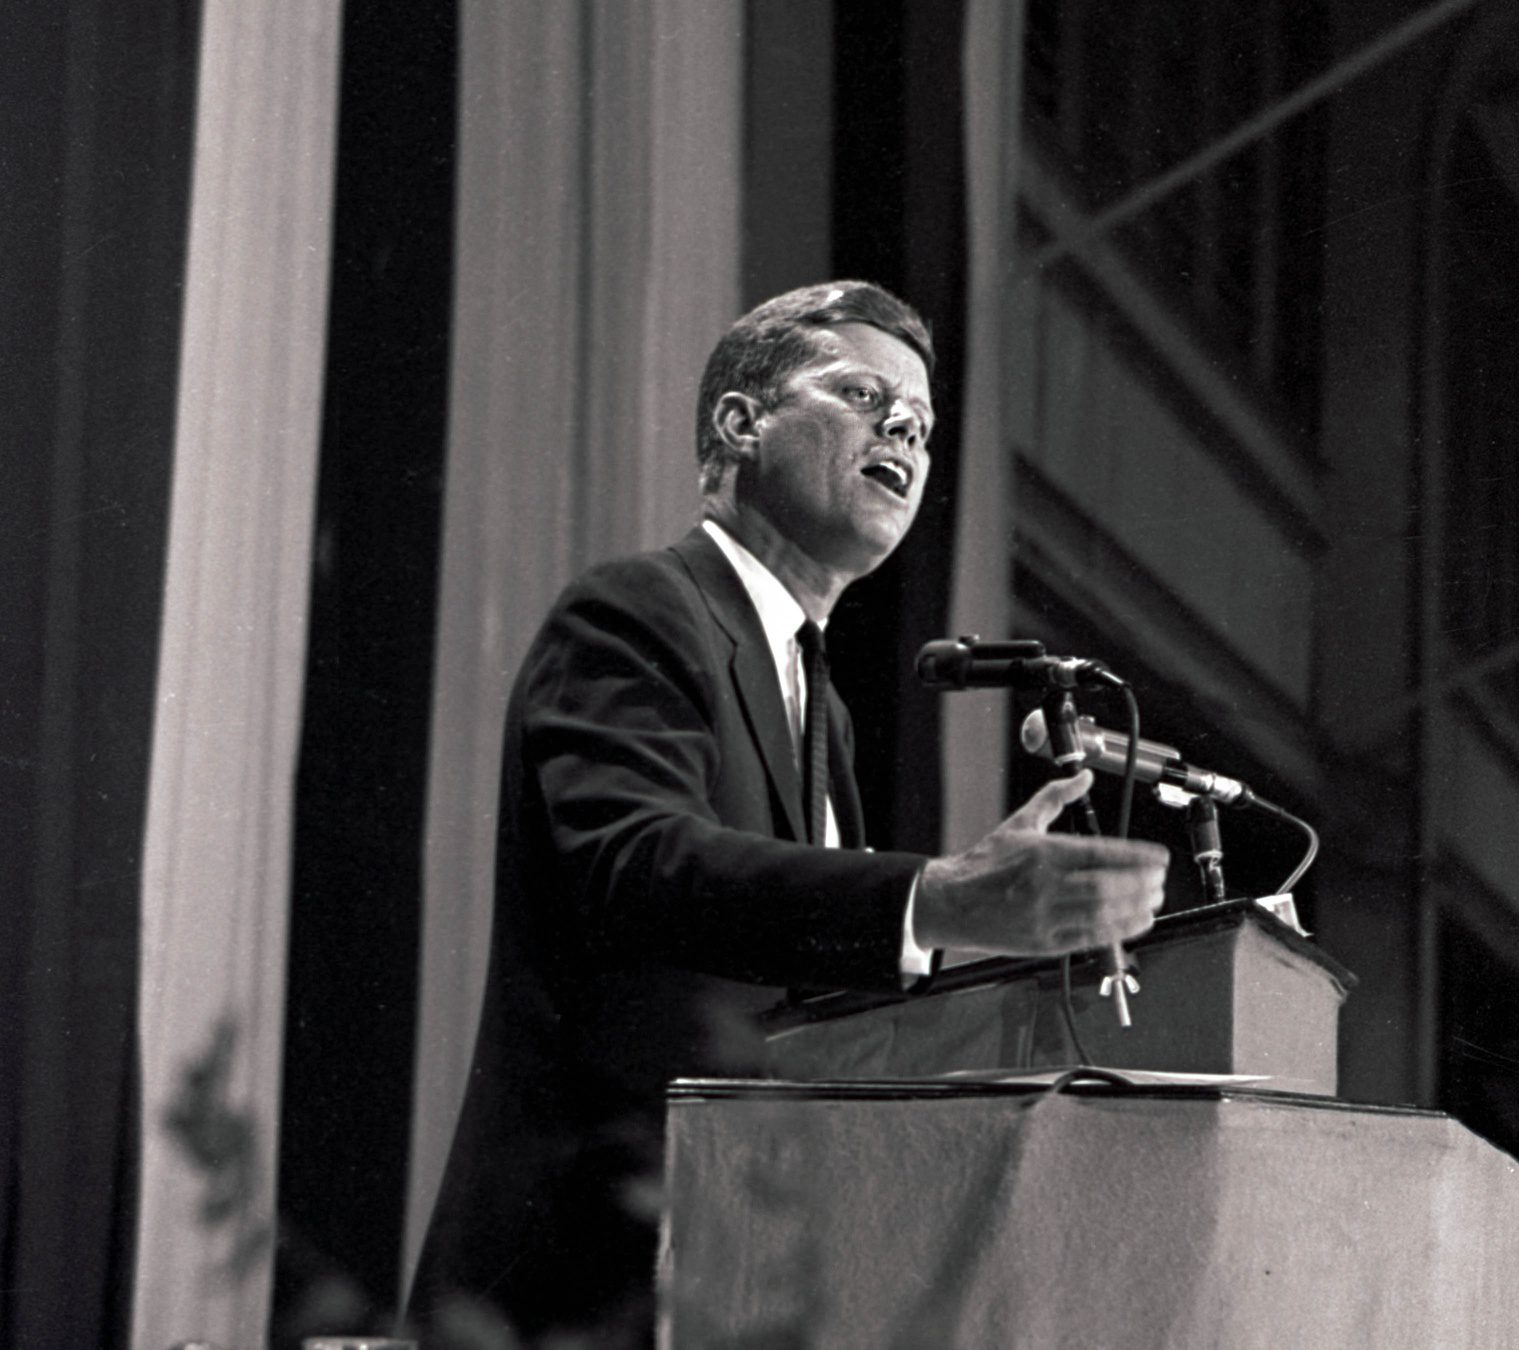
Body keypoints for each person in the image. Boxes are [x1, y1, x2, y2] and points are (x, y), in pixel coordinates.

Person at [409, 281, 1168, 1342]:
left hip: (744, 1279)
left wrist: (988, 969)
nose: (904, 428)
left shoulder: (824, 711)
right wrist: (937, 899)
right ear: (739, 421)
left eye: (923, 422)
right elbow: (638, 866)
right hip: (589, 1282)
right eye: (863, 395)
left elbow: (805, 998)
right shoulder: (639, 612)